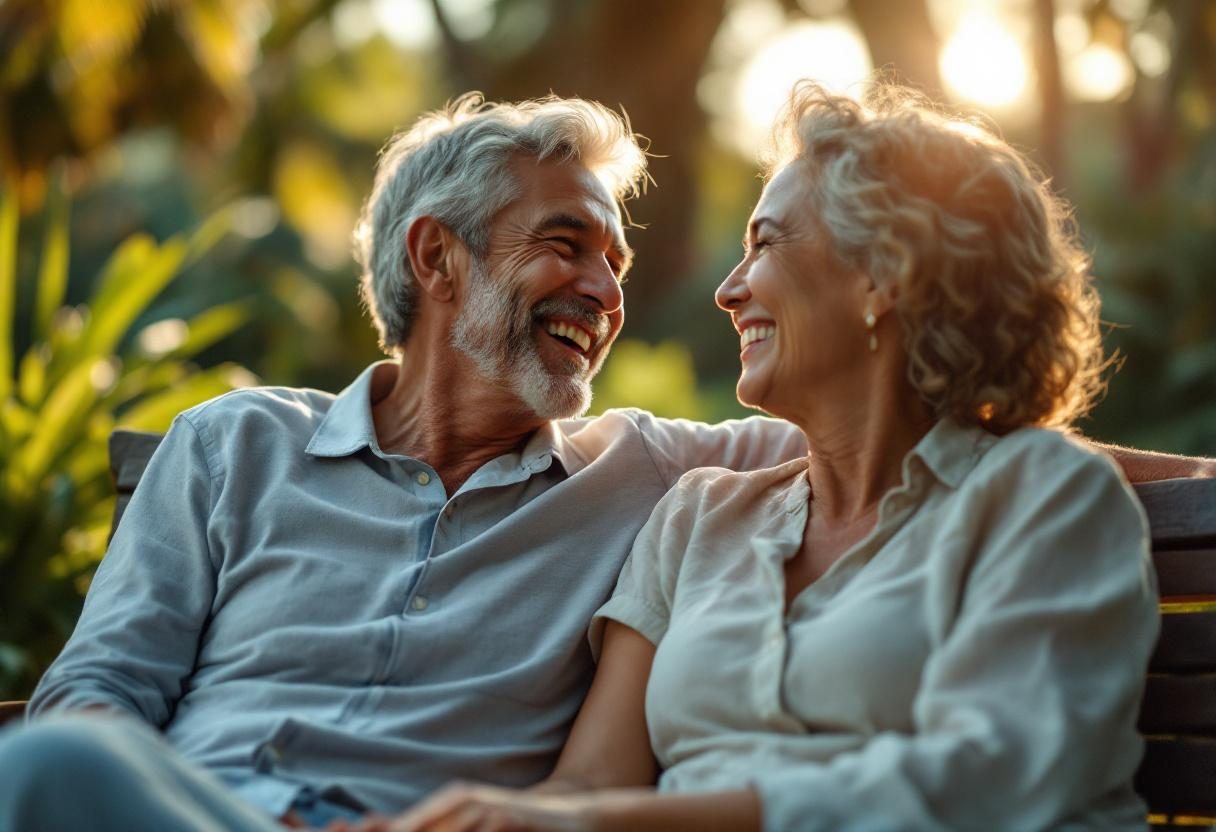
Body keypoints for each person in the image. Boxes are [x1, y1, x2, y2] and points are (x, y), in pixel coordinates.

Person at [0, 90, 1202, 832]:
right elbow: (96, 691)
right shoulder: (231, 446)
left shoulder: (651, 472)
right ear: (436, 259)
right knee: (59, 759)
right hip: (187, 812)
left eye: (618, 263)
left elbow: (930, 434)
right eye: (564, 244)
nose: (613, 294)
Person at [381, 82, 1165, 831]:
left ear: (882, 273)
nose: (729, 290)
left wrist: (607, 821)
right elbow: (589, 784)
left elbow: (988, 780)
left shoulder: (1048, 497)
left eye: (764, 244)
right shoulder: (700, 516)